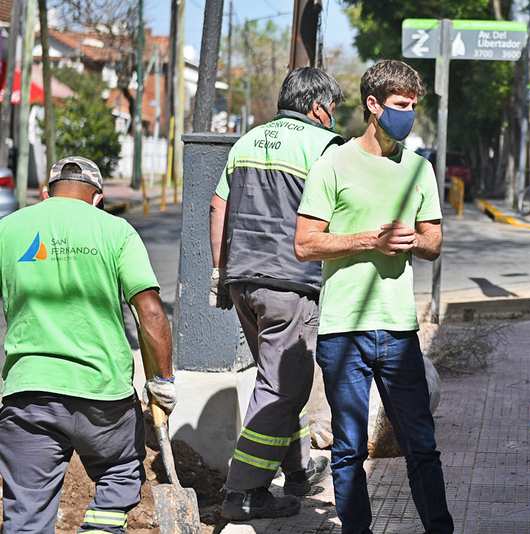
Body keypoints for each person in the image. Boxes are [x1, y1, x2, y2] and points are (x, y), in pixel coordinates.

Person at [295, 59, 454, 534]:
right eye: (400, 106)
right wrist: (369, 240)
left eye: (413, 106)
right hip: (344, 331)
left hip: (399, 330)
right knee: (348, 447)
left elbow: (435, 243)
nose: (408, 115)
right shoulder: (334, 162)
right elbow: (305, 244)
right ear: (373, 105)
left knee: (421, 444)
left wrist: (413, 240)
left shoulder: (419, 170)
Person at [0, 157, 175, 534]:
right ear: (97, 198)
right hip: (103, 396)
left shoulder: (8, 230)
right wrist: (162, 379)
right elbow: (151, 313)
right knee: (120, 473)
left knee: (26, 512)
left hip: (29, 394)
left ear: (46, 193)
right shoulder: (116, 231)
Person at [210, 67, 345, 520]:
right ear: (318, 107)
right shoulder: (323, 146)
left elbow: (218, 206)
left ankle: (300, 468)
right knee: (283, 387)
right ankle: (243, 491)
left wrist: (220, 273)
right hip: (288, 282)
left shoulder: (247, 141)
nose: (332, 119)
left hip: (243, 280)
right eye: (333, 111)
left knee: (278, 380)